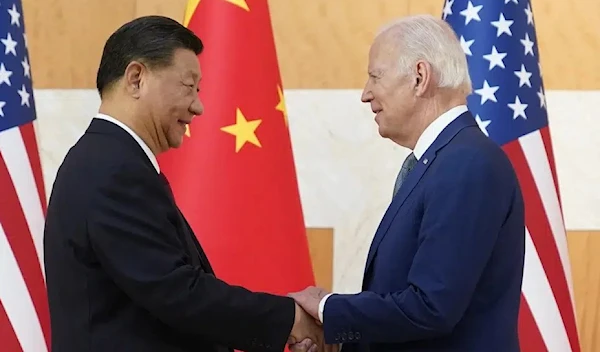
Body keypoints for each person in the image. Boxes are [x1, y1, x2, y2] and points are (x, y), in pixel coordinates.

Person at [43, 15, 323, 352]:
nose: (198, 106)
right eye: (188, 86)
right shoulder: (113, 169)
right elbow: (175, 292)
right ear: (136, 79)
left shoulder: (110, 160)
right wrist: (288, 319)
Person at [288, 14, 525, 352]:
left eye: (375, 76)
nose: (365, 94)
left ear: (419, 77)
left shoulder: (468, 163)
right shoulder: (441, 161)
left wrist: (327, 309)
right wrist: (341, 342)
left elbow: (432, 307)